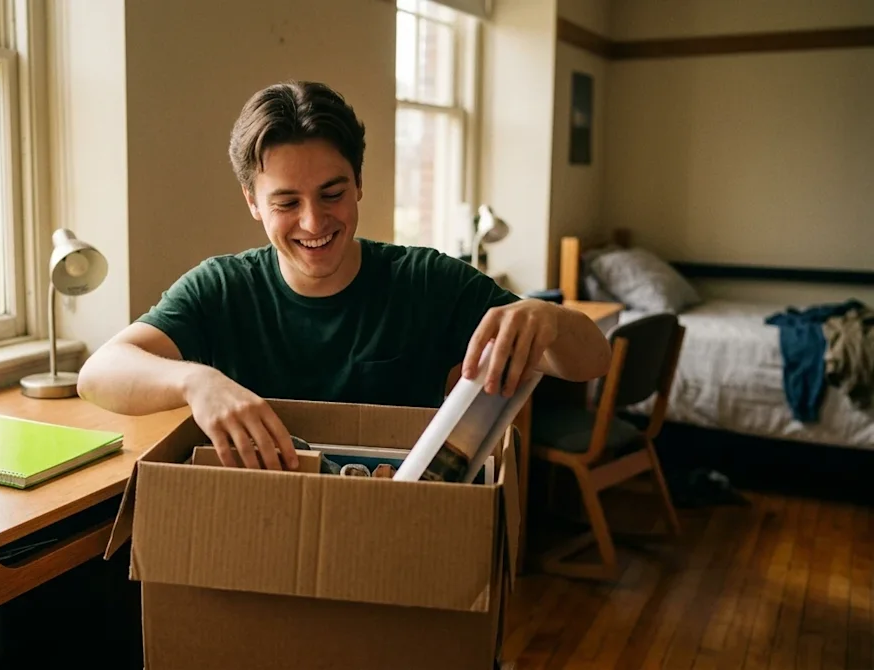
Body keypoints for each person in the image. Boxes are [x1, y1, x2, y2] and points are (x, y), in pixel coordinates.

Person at [76, 80, 611, 471]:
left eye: (332, 193)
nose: (314, 222)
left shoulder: (426, 281)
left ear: (359, 183)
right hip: (257, 539)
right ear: (253, 204)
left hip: (401, 541)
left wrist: (550, 319)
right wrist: (195, 380)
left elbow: (592, 361)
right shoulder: (223, 288)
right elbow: (99, 374)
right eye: (286, 202)